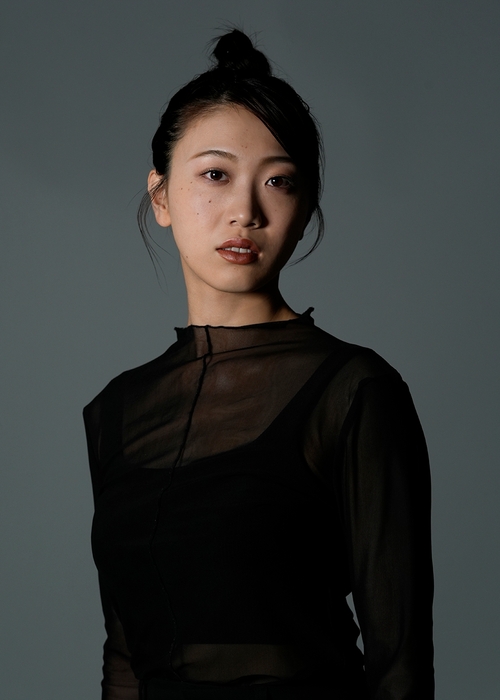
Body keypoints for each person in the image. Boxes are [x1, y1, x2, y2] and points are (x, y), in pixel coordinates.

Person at [83, 29, 434, 700]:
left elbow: (401, 666)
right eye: (215, 175)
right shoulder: (116, 411)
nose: (244, 212)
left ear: (304, 211)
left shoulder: (353, 390)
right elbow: (125, 655)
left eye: (279, 182)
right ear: (160, 196)